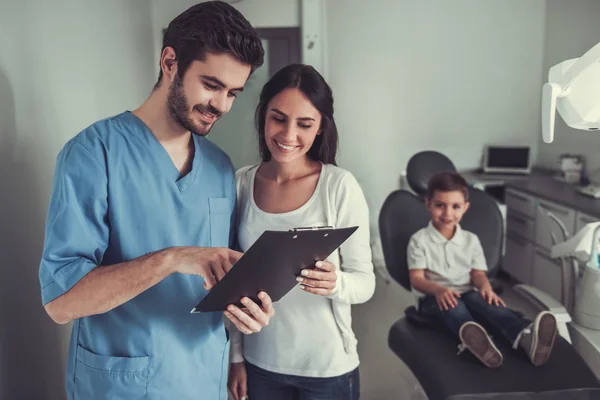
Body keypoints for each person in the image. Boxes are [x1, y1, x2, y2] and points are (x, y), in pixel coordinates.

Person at [38, 2, 275, 399]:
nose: (222, 106)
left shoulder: (219, 167)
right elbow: (61, 302)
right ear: (170, 62)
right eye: (211, 85)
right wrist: (171, 259)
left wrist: (250, 307)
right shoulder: (94, 153)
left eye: (233, 92)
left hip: (203, 379)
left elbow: (221, 275)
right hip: (123, 383)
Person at [226, 64, 375, 400]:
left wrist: (337, 283)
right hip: (260, 362)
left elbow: (365, 283)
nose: (288, 135)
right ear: (263, 116)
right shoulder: (241, 184)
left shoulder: (339, 187)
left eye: (304, 124)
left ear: (321, 127)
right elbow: (233, 282)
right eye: (278, 118)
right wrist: (236, 358)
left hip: (328, 367)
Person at [407, 171, 558, 368]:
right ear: (428, 204)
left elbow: (477, 274)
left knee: (488, 303)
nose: (447, 213)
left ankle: (525, 338)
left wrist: (485, 287)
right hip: (433, 299)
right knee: (454, 308)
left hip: (468, 291)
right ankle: (480, 344)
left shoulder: (471, 240)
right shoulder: (419, 240)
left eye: (455, 206)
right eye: (439, 205)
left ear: (465, 208)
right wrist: (439, 290)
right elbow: (416, 278)